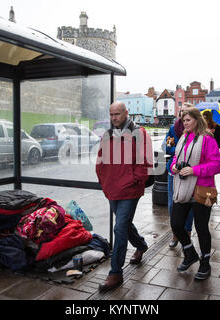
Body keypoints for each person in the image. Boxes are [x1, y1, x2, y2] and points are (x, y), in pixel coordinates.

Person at [96, 101, 153, 292]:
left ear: (126, 113)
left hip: (130, 190)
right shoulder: (108, 134)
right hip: (112, 189)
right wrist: (104, 181)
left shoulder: (139, 133)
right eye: (111, 115)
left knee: (119, 227)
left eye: (117, 114)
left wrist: (135, 180)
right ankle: (141, 245)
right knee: (125, 224)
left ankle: (115, 273)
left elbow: (145, 162)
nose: (114, 118)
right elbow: (100, 161)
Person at [170, 107, 220, 280]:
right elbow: (175, 160)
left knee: (201, 228)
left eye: (188, 120)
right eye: (183, 121)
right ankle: (190, 253)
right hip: (182, 189)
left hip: (202, 190)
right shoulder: (183, 138)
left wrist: (194, 170)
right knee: (176, 224)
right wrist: (174, 167)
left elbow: (217, 165)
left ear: (197, 120)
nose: (184, 123)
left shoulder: (207, 139)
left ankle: (205, 263)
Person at [164, 103, 194, 248]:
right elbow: (167, 148)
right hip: (173, 171)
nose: (183, 115)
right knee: (172, 204)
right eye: (181, 112)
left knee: (187, 204)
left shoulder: (198, 133)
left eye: (186, 112)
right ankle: (176, 233)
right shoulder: (173, 128)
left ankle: (187, 233)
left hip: (190, 173)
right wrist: (180, 149)